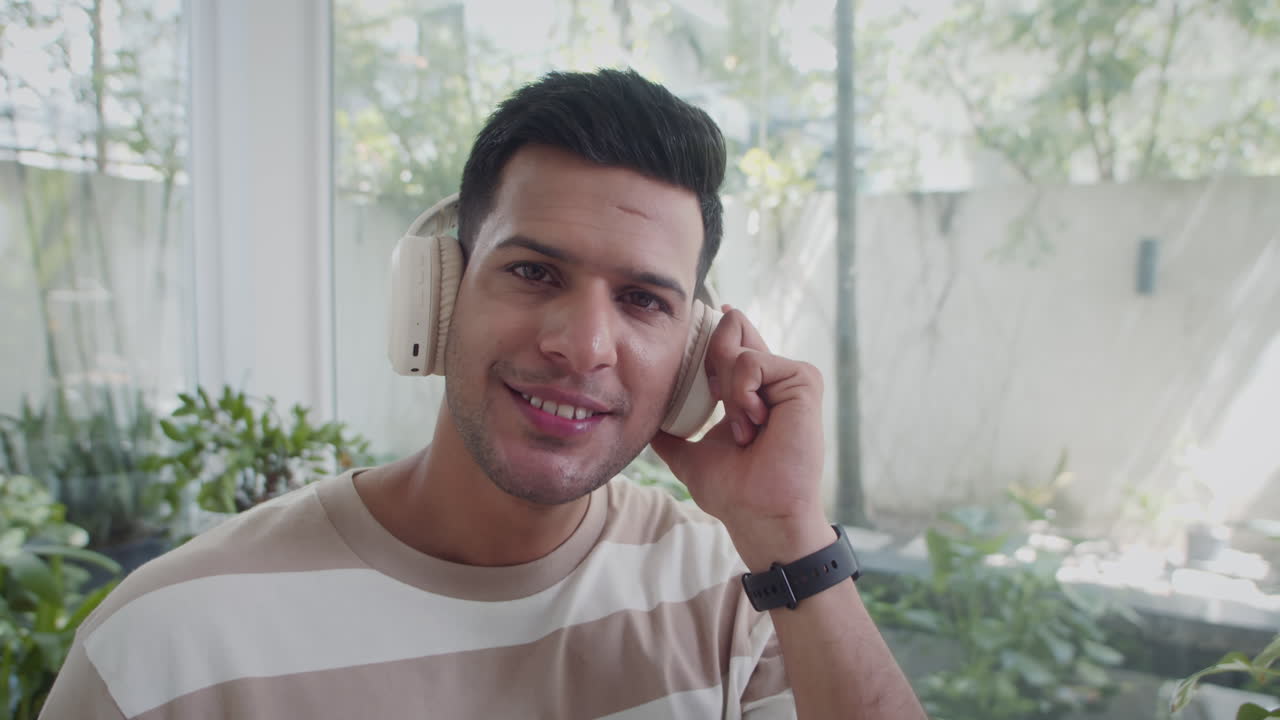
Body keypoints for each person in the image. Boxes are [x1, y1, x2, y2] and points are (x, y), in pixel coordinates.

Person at [41, 69, 924, 719]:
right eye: (534, 271)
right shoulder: (164, 646)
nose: (583, 346)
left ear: (693, 357)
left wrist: (787, 533)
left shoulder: (740, 594)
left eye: (643, 300)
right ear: (437, 291)